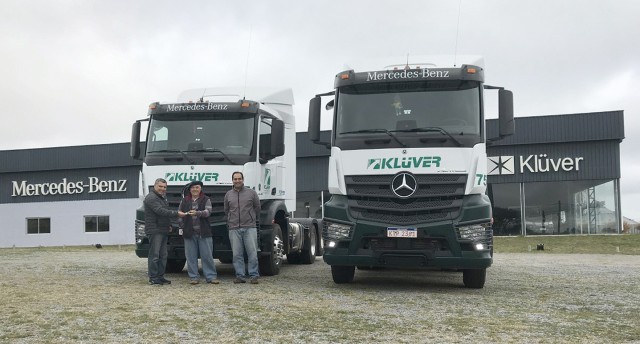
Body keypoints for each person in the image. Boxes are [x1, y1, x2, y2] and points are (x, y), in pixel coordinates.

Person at [144, 178, 186, 285]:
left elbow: (165, 214)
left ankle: (160, 276)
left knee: (163, 255)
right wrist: (177, 213)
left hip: (163, 229)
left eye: (164, 187)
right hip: (154, 230)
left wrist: (170, 225)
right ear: (155, 186)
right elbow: (160, 211)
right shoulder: (151, 198)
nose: (163, 189)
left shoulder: (163, 197)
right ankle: (153, 277)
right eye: (160, 187)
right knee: (154, 255)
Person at [178, 181, 219, 285]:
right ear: (190, 189)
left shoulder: (206, 199)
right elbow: (180, 215)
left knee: (207, 256)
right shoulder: (184, 200)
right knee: (191, 257)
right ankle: (194, 277)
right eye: (192, 188)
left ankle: (211, 277)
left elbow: (208, 212)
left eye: (197, 187)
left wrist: (197, 213)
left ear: (200, 189)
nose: (195, 189)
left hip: (204, 232)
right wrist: (182, 227)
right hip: (189, 233)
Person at [224, 171, 261, 284]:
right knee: (236, 254)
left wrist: (251, 219)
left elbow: (257, 207)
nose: (237, 181)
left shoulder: (251, 193)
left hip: (249, 227)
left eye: (239, 178)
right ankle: (240, 276)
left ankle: (254, 275)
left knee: (252, 253)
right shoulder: (228, 194)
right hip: (234, 228)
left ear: (243, 180)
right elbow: (226, 210)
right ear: (232, 181)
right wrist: (231, 220)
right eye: (235, 179)